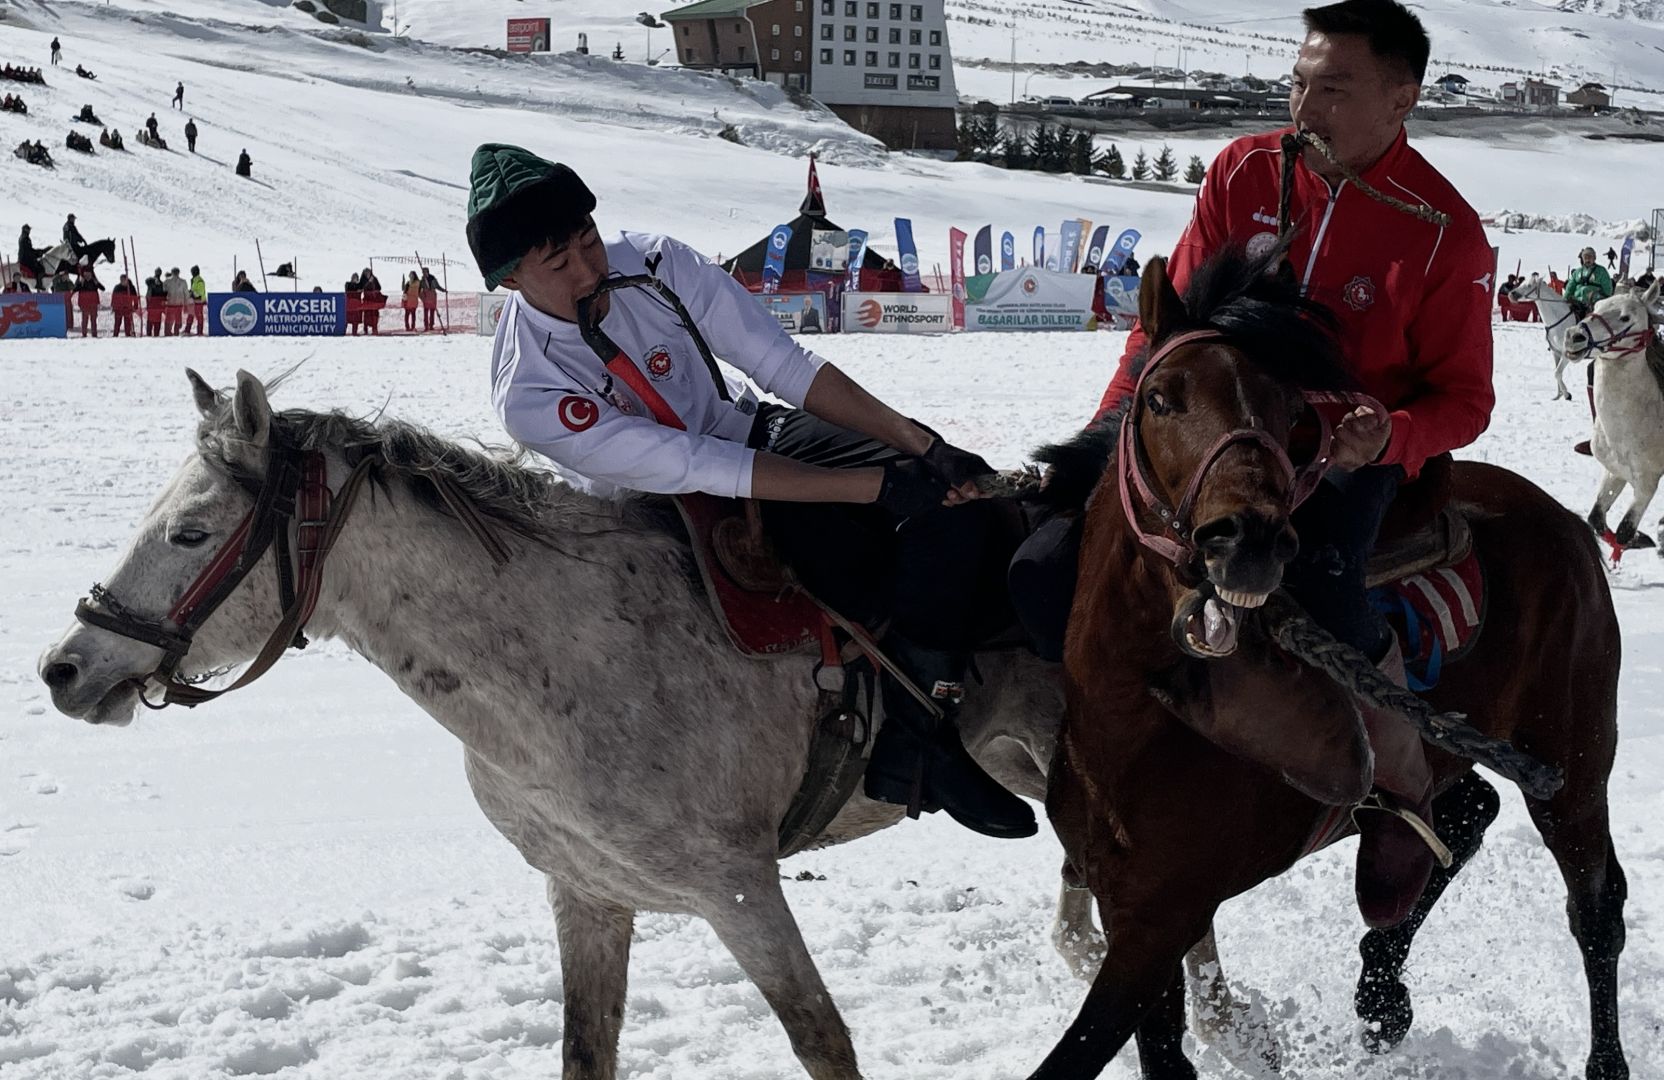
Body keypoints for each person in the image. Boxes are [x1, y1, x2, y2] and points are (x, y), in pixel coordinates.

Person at [468, 142, 1036, 839]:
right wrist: (872, 487)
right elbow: (691, 467)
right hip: (656, 510)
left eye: (588, 237)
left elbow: (781, 364)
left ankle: (920, 739)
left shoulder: (653, 260)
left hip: (750, 434)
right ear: (509, 279)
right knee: (847, 561)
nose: (590, 267)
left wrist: (922, 445)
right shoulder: (529, 388)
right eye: (558, 263)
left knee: (953, 506)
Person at [1071, 0, 1494, 928]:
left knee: (1328, 593)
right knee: (1061, 554)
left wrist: (1388, 436)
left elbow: (1467, 400)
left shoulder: (1443, 232)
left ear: (1401, 98)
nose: (1305, 107)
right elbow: (1166, 327)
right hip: (1214, 431)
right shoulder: (1243, 171)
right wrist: (1108, 438)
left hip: (1344, 453)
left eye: (1332, 89)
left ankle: (1400, 788)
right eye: (1297, 83)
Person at [1565, 245, 1614, 320]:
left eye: (1590, 257)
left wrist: (1603, 298)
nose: (1587, 259)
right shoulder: (1577, 272)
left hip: (1594, 302)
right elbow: (1570, 286)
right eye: (1585, 257)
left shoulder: (1601, 271)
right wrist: (1565, 298)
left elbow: (1607, 289)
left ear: (1594, 258)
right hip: (1577, 301)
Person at [73, 263, 103, 337]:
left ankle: (94, 334)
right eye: (86, 274)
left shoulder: (94, 281)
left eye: (89, 274)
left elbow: (103, 288)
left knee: (93, 320)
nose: (87, 276)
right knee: (85, 319)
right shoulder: (81, 281)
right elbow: (74, 290)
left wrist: (97, 284)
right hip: (84, 303)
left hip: (93, 303)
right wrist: (80, 283)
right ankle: (84, 334)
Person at [110, 272, 139, 336]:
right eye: (121, 280)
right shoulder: (117, 287)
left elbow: (135, 297)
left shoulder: (131, 288)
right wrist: (113, 306)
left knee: (127, 323)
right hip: (118, 308)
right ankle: (115, 335)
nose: (122, 281)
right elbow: (113, 297)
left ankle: (128, 334)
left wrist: (135, 306)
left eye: (123, 280)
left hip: (127, 308)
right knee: (117, 323)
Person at [163, 267, 189, 335]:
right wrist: (186, 304)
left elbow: (163, 292)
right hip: (177, 304)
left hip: (171, 304)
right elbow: (186, 294)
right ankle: (175, 332)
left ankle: (167, 332)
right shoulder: (183, 282)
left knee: (169, 319)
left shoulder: (167, 281)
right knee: (177, 319)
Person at [419, 265, 445, 330]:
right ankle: (426, 326)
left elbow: (437, 286)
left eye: (425, 272)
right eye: (423, 272)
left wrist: (443, 290)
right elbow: (419, 291)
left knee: (432, 312)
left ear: (428, 272)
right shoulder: (422, 281)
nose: (424, 273)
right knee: (426, 312)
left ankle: (431, 325)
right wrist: (422, 298)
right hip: (426, 298)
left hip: (432, 297)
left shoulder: (433, 279)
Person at [358, 266, 383, 333]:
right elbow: (361, 287)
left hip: (374, 300)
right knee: (367, 315)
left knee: (374, 315)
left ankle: (375, 328)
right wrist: (368, 282)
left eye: (368, 272)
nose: (367, 274)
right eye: (366, 273)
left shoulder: (374, 279)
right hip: (367, 299)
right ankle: (365, 329)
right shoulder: (363, 280)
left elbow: (379, 288)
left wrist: (373, 283)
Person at [144, 268, 166, 336]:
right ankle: (155, 334)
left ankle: (150, 334)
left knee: (151, 321)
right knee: (156, 322)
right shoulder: (157, 283)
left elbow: (148, 295)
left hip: (152, 306)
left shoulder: (153, 283)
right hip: (158, 306)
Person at [186, 265, 206, 335]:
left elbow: (199, 293)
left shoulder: (199, 281)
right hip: (193, 302)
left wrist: (192, 293)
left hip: (199, 302)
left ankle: (200, 332)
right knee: (190, 315)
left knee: (199, 317)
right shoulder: (194, 280)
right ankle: (187, 330)